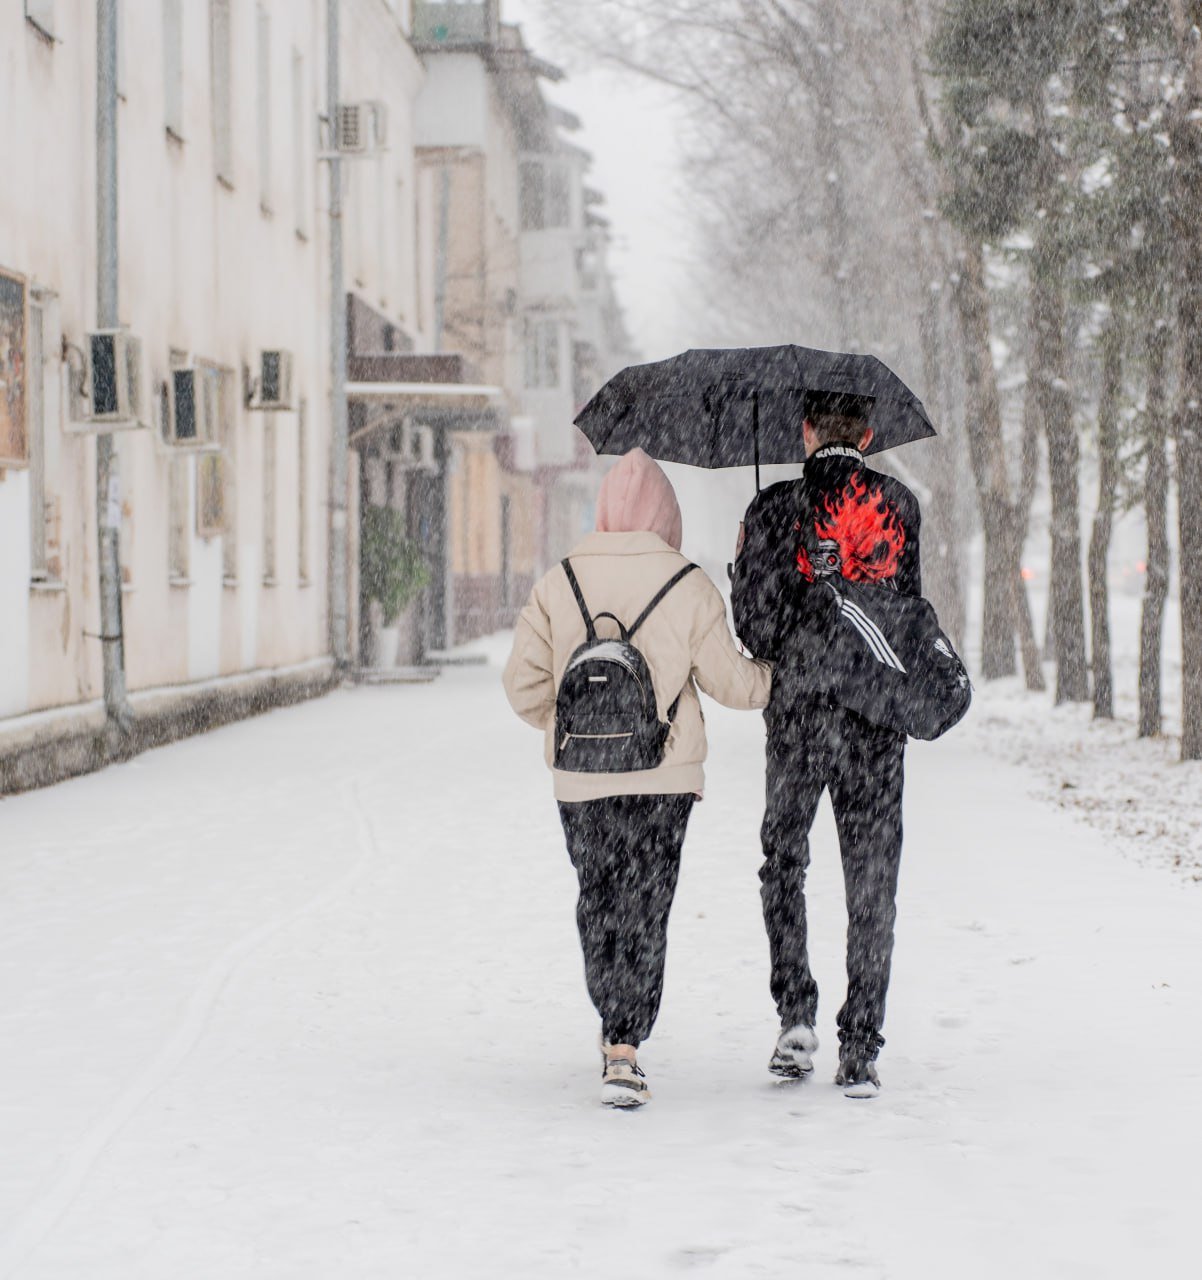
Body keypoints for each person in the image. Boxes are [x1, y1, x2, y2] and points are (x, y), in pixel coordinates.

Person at [504, 448, 771, 1108]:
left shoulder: (558, 579)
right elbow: (736, 687)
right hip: (662, 780)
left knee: (599, 898)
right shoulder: (688, 583)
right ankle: (626, 1040)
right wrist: (779, 668)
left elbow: (520, 687)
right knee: (647, 904)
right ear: (665, 515)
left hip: (580, 780)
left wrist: (572, 726)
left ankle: (612, 1023)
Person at [731, 390, 922, 1099]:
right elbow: (909, 616)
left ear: (805, 431)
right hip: (876, 718)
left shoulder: (773, 508)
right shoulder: (898, 507)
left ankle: (795, 1014)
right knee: (872, 878)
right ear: (869, 433)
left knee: (785, 860)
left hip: (800, 715)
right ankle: (862, 1043)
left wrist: (750, 572)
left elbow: (753, 629)